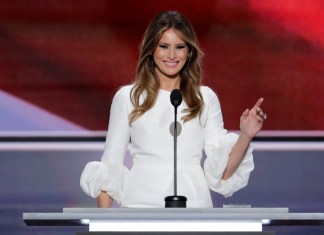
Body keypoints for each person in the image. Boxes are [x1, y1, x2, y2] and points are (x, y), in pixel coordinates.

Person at [80, 11, 267, 208]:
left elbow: (221, 173)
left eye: (179, 47)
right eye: (164, 46)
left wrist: (245, 136)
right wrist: (103, 225)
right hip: (140, 207)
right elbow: (111, 166)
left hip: (193, 206)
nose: (171, 55)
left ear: (189, 52)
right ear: (152, 49)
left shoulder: (204, 98)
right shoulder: (128, 97)